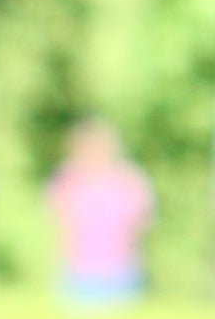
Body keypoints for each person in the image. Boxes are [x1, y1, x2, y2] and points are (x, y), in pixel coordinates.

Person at [46, 118, 155, 306]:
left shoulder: (128, 179)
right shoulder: (68, 178)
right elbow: (57, 219)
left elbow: (143, 221)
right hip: (77, 273)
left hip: (121, 273)